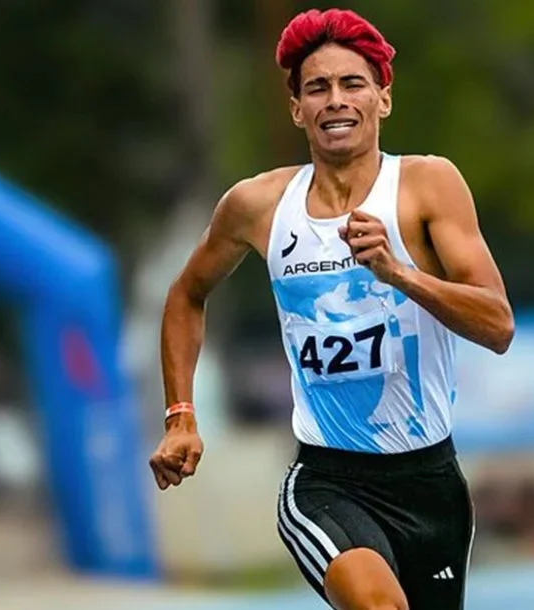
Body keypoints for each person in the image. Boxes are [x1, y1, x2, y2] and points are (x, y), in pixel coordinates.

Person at [149, 8, 514, 610]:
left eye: (352, 84)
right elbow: (186, 294)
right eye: (317, 88)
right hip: (326, 481)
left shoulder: (428, 186)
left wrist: (398, 272)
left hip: (432, 483)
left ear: (383, 99)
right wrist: (180, 414)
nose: (335, 100)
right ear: (297, 109)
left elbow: (497, 323)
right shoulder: (258, 205)